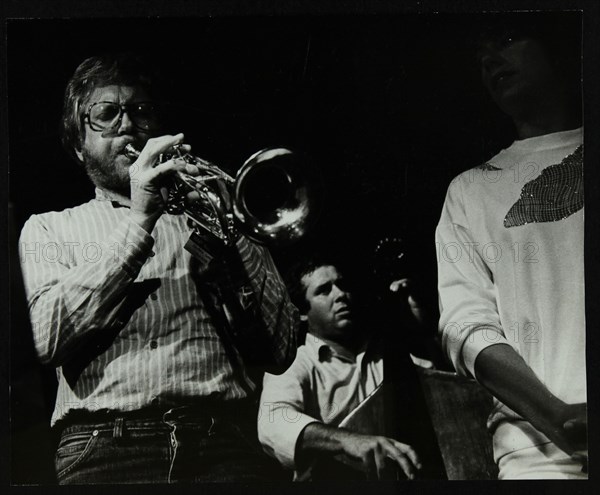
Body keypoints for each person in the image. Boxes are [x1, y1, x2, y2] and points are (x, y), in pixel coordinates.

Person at [18, 53, 299, 484]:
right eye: (106, 114)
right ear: (78, 146)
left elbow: (280, 351)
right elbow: (43, 339)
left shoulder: (208, 216)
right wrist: (141, 221)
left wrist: (238, 228)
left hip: (221, 439)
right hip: (104, 446)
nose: (127, 124)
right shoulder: (50, 228)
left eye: (140, 111)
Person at [436, 14, 586, 479]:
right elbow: (466, 325)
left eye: (506, 38)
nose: (489, 59)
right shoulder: (471, 189)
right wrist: (559, 417)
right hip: (537, 458)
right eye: (481, 56)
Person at [257, 257, 424, 481]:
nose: (340, 294)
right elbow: (273, 422)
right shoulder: (293, 361)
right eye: (324, 291)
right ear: (301, 312)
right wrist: (349, 440)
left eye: (342, 285)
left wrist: (418, 323)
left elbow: (437, 381)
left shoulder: (387, 351)